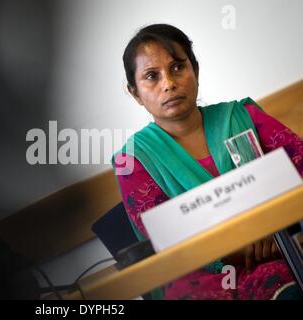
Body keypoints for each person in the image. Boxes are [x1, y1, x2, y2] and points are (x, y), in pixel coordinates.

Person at [112, 23, 303, 300]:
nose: (169, 83)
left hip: (284, 244)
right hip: (206, 277)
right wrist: (240, 243)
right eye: (152, 76)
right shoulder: (133, 160)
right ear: (135, 93)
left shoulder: (241, 116)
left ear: (195, 71)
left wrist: (275, 230)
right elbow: (165, 244)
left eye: (178, 67)